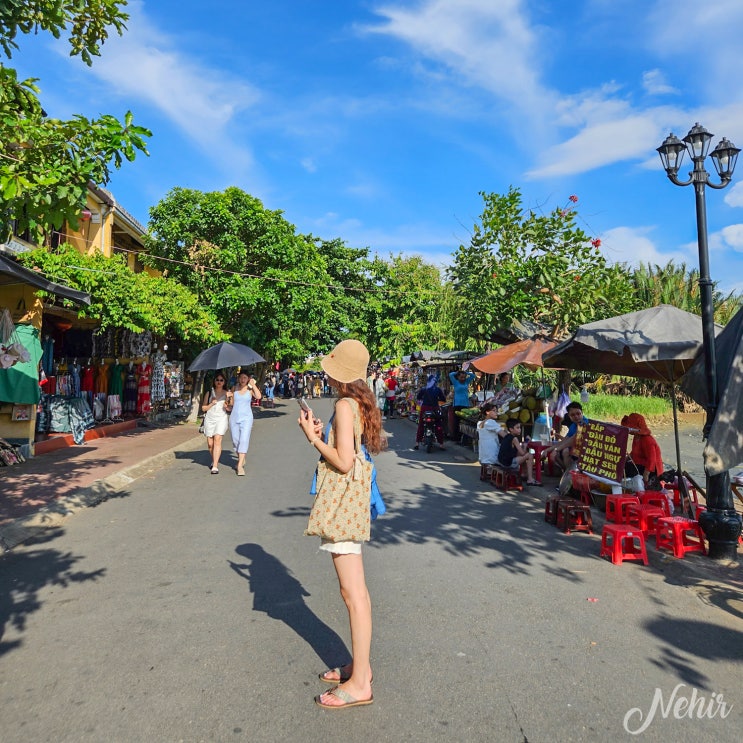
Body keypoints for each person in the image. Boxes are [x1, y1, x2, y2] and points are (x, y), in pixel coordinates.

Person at [298, 339, 385, 710]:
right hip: (354, 504)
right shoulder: (356, 403)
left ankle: (360, 681)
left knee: (353, 594)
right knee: (356, 593)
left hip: (343, 505)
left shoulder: (343, 405)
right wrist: (326, 434)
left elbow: (345, 462)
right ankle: (359, 666)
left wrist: (314, 438)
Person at [225, 371, 261, 476]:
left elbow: (258, 397)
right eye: (241, 377)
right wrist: (228, 397)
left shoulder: (250, 389)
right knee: (236, 441)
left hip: (246, 418)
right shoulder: (234, 388)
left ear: (248, 378)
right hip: (234, 417)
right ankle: (242, 457)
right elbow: (230, 404)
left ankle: (239, 465)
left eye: (245, 377)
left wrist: (253, 385)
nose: (242, 380)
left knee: (244, 439)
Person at [622, 412, 664, 485]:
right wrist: (624, 460)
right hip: (640, 465)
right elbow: (634, 453)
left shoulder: (647, 440)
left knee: (627, 470)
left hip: (651, 470)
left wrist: (646, 474)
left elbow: (652, 459)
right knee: (623, 467)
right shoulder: (636, 437)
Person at [544, 401, 587, 471]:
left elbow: (573, 439)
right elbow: (565, 441)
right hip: (576, 451)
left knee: (565, 451)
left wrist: (556, 449)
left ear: (582, 413)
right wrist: (548, 450)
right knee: (557, 454)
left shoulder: (585, 423)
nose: (576, 416)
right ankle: (568, 473)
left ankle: (570, 474)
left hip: (586, 453)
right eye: (573, 415)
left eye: (578, 414)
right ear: (569, 416)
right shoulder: (573, 426)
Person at [201, 372, 230, 474]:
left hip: (221, 418)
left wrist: (228, 402)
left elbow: (230, 408)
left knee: (217, 439)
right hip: (210, 418)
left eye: (221, 380)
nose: (219, 382)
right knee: (210, 443)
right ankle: (214, 459)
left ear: (224, 382)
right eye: (217, 380)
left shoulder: (227, 393)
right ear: (214, 381)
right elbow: (203, 408)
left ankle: (215, 466)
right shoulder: (209, 393)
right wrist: (211, 404)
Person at [497, 417, 540, 485]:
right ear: (511, 429)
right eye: (517, 428)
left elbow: (518, 452)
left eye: (519, 427)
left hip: (501, 461)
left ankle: (524, 474)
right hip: (508, 463)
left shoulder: (507, 436)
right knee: (529, 455)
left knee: (523, 455)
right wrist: (526, 444)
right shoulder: (514, 439)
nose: (519, 429)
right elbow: (523, 453)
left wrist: (524, 444)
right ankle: (530, 479)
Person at [415, 374, 445, 450]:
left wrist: (423, 398)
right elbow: (443, 399)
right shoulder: (438, 389)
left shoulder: (423, 389)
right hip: (435, 408)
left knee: (421, 424)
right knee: (438, 425)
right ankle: (441, 444)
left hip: (424, 408)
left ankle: (417, 443)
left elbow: (418, 397)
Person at [449, 367, 476, 441]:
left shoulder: (466, 382)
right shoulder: (455, 382)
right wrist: (458, 372)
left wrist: (466, 373)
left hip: (465, 404)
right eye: (461, 377)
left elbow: (473, 376)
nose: (463, 378)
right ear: (458, 377)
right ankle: (456, 438)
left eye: (464, 377)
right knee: (456, 422)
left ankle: (464, 438)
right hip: (457, 404)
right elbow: (450, 374)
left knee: (464, 422)